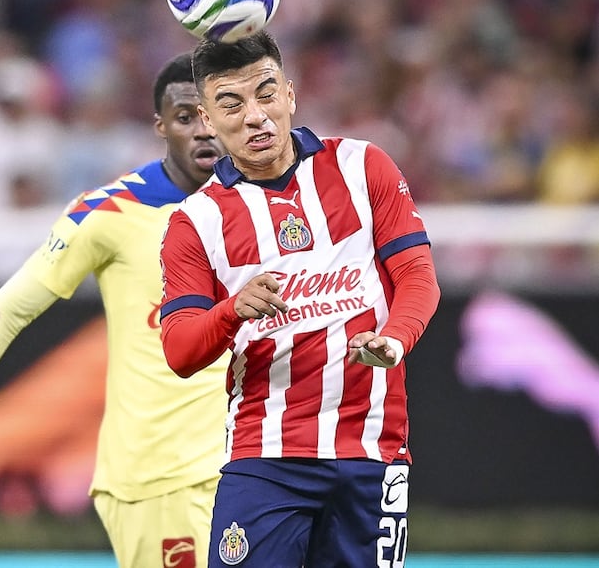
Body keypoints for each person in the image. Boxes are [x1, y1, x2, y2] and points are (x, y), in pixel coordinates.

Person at [0, 53, 229, 568]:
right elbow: (7, 312)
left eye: (216, 114)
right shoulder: (111, 211)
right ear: (159, 125)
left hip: (256, 468)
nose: (204, 131)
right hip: (162, 480)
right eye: (185, 117)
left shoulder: (270, 204)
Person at [158, 31, 440, 567]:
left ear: (290, 94)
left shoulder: (363, 167)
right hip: (265, 457)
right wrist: (231, 310)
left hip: (373, 451)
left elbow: (418, 277)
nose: (255, 116)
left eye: (266, 94)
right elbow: (180, 350)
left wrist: (396, 339)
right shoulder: (195, 222)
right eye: (231, 105)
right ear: (208, 120)